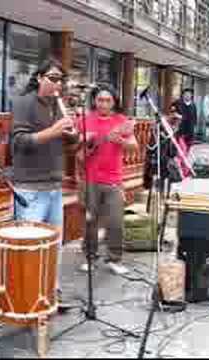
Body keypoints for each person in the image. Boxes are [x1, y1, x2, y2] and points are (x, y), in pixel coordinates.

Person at [10, 58, 78, 306]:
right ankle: (28, 298)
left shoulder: (58, 106)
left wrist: (72, 136)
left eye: (60, 79)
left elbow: (71, 144)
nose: (57, 84)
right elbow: (20, 142)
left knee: (54, 247)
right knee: (29, 247)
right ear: (39, 78)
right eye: (52, 78)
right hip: (29, 189)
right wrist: (55, 130)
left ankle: (50, 293)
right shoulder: (23, 103)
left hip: (53, 188)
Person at [76, 85, 137, 275]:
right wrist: (88, 141)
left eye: (108, 100)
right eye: (100, 100)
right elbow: (77, 153)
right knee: (90, 221)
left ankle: (114, 258)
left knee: (115, 221)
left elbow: (134, 146)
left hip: (113, 179)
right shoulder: (85, 120)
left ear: (114, 102)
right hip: (90, 178)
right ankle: (90, 257)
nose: (103, 104)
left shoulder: (121, 120)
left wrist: (120, 140)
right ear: (95, 100)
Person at [173, 88, 197, 152]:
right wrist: (176, 115)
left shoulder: (193, 105)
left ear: (191, 95)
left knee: (188, 147)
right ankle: (179, 160)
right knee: (181, 147)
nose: (187, 95)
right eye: (186, 94)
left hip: (190, 130)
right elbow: (172, 110)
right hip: (180, 129)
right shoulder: (178, 103)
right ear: (183, 95)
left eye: (189, 94)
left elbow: (195, 117)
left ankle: (183, 161)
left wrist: (194, 127)